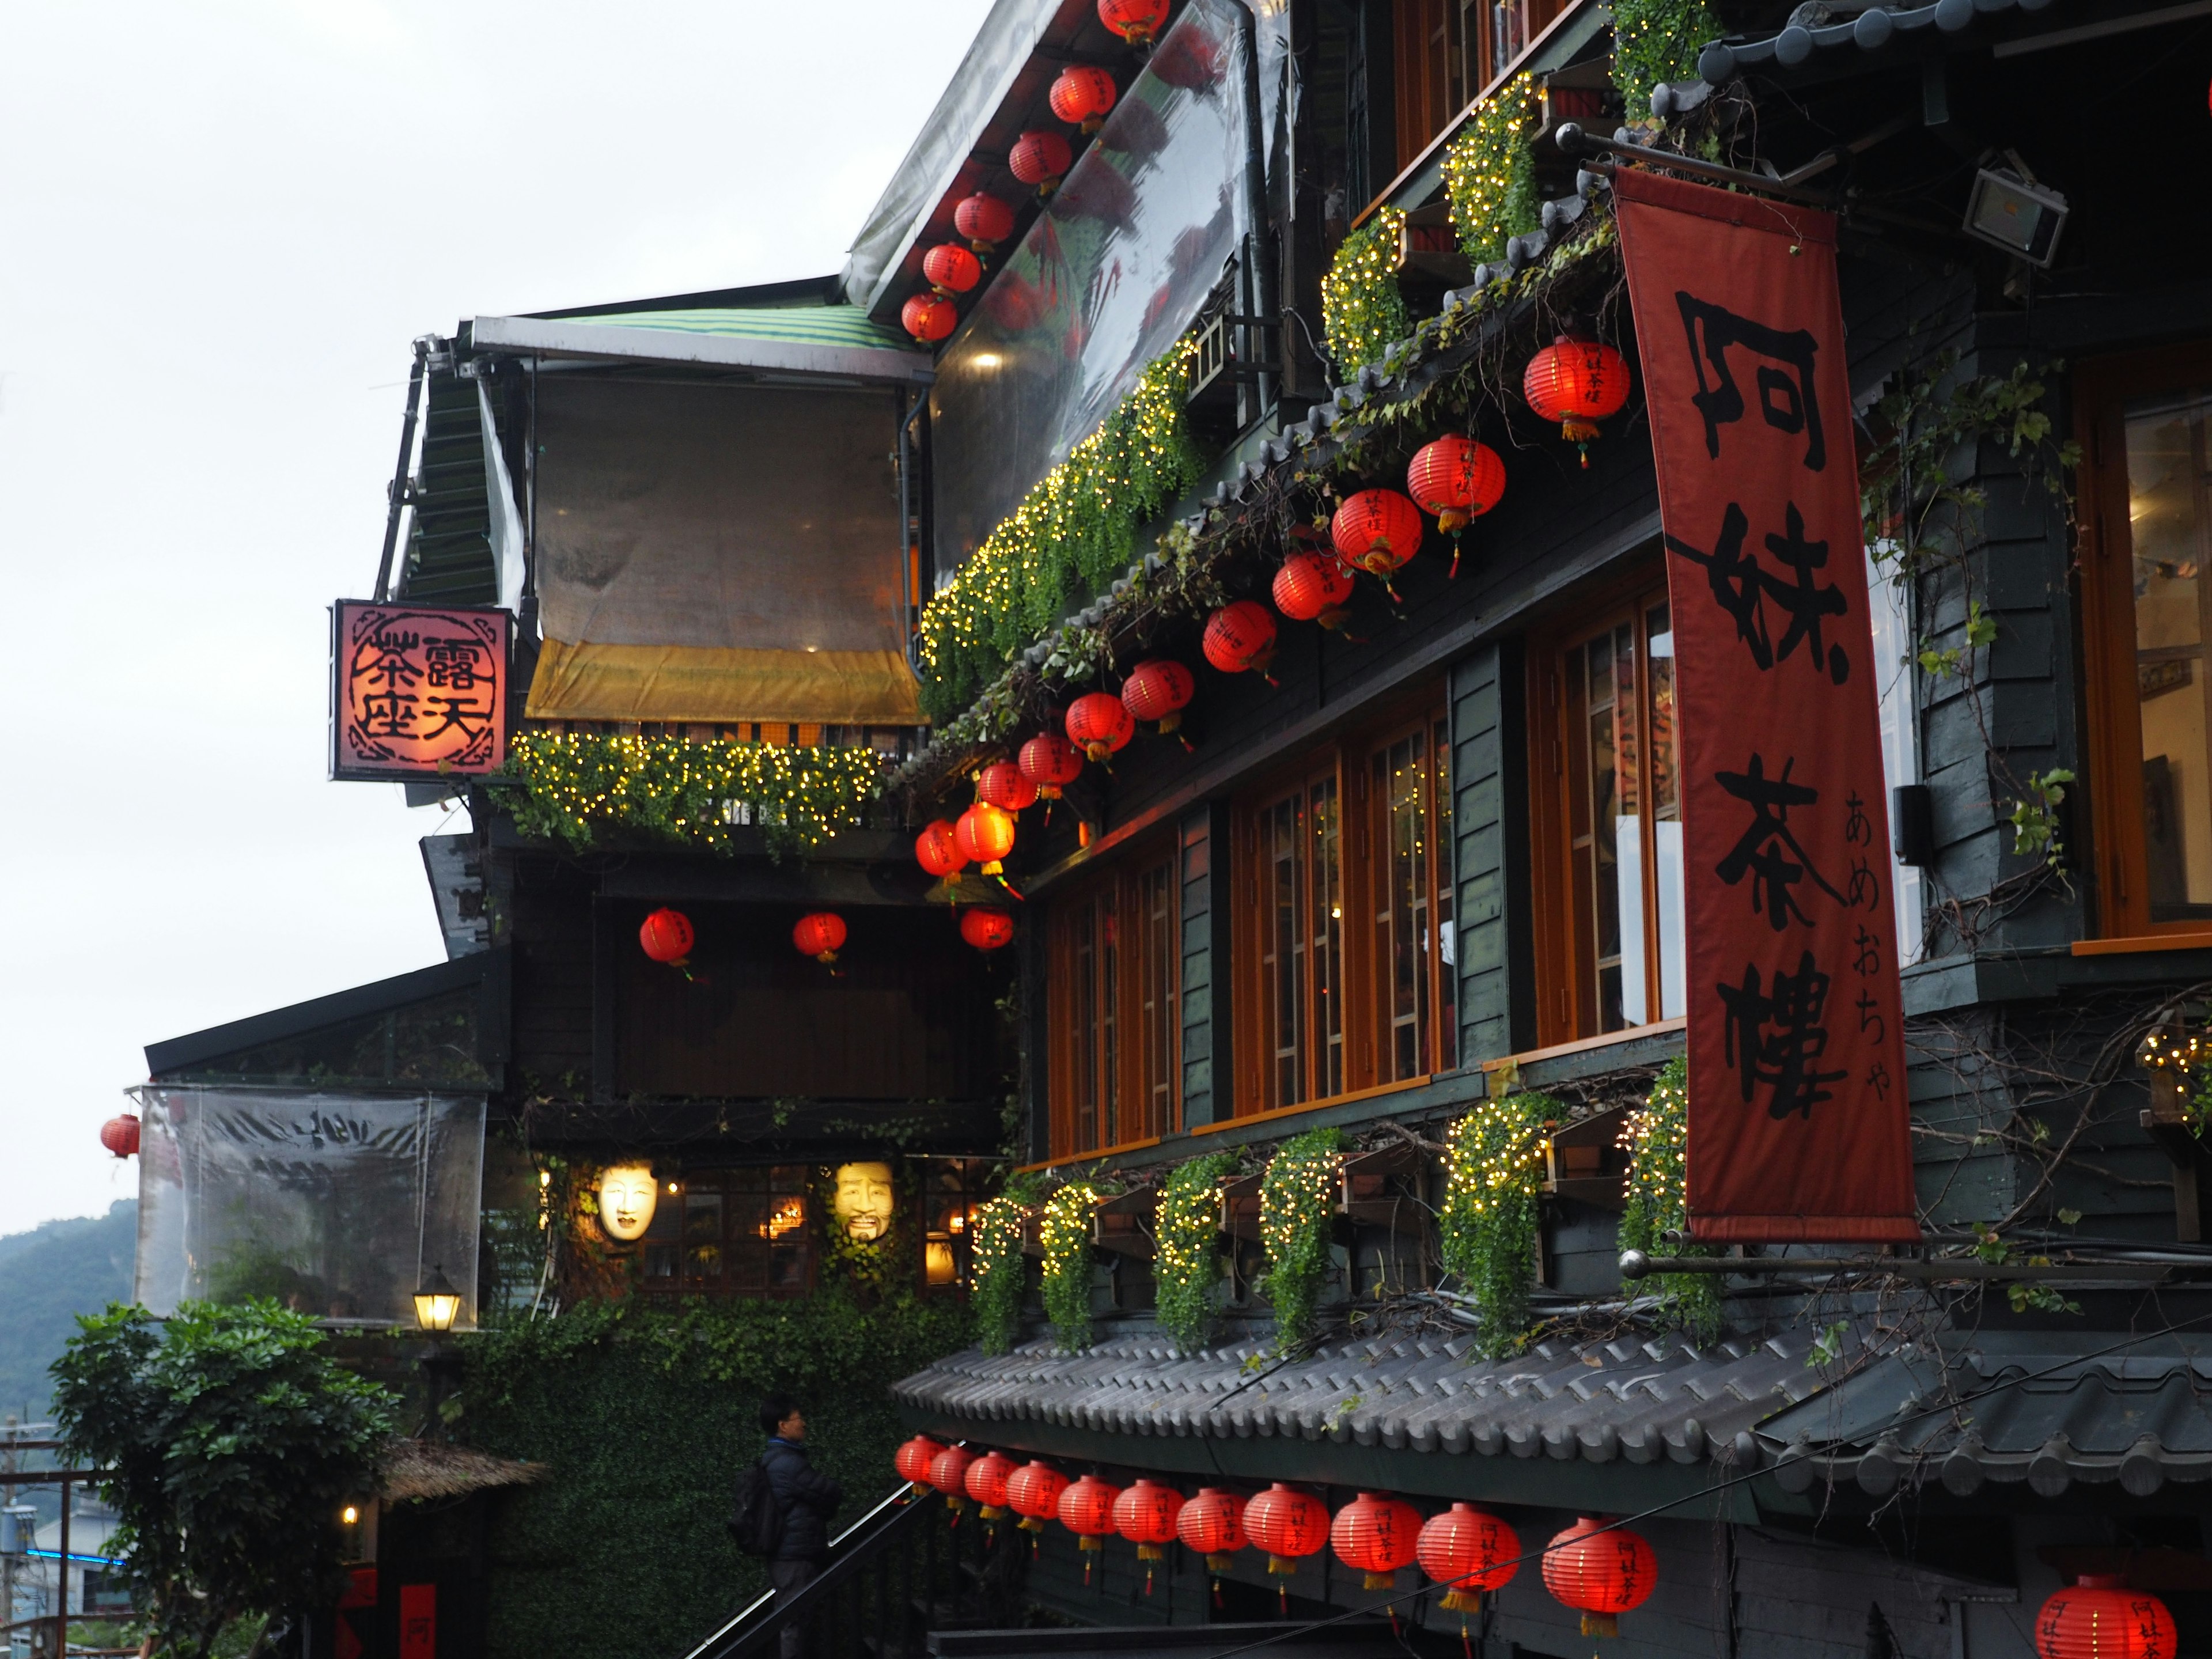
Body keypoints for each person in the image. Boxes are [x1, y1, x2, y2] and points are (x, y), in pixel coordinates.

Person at [759, 1393, 842, 1659]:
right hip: (795, 1556)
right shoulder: (787, 1463)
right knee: (794, 1619)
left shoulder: (775, 1459)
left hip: (789, 1553)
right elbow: (828, 1492)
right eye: (798, 1418)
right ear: (783, 1425)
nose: (803, 1423)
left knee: (795, 1617)